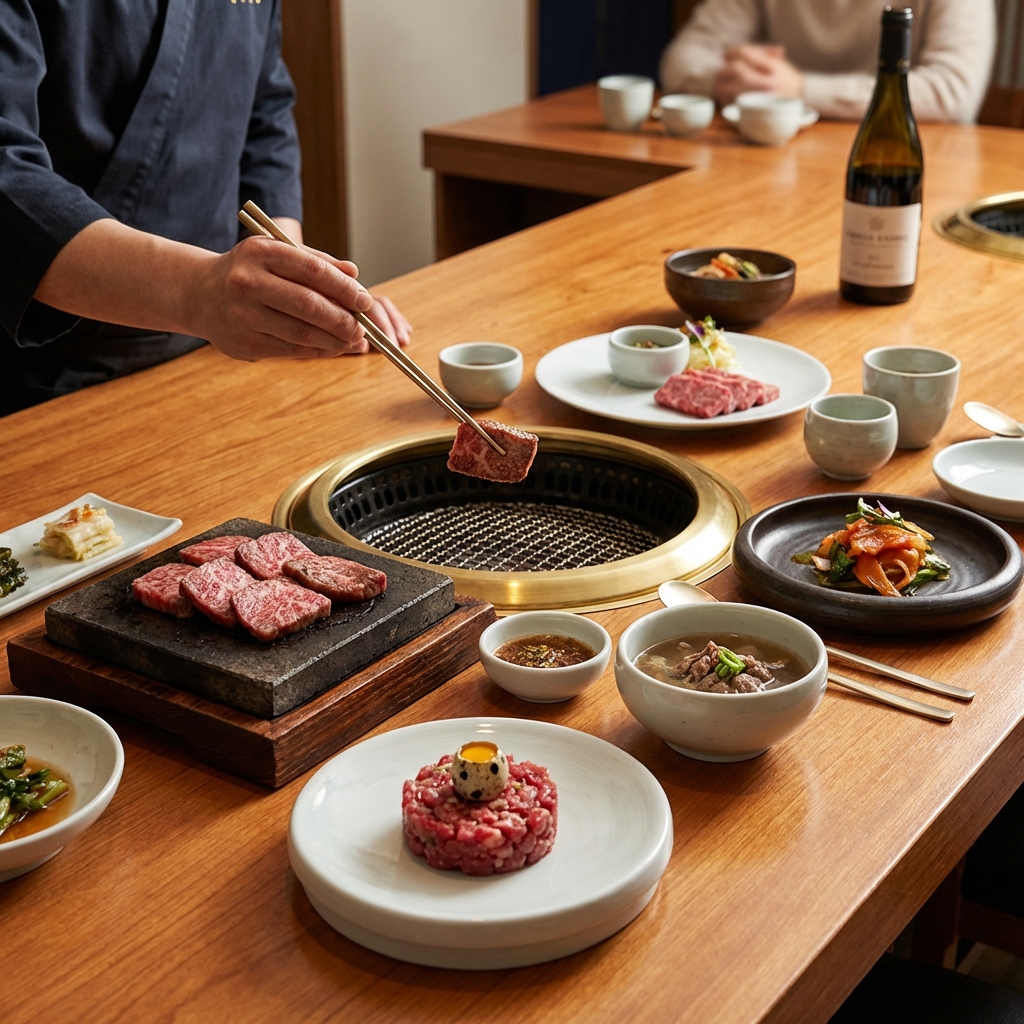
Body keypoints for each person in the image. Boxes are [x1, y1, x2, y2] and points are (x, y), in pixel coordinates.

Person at [0, 1, 411, 418]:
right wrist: (199, 293)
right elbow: (6, 174)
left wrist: (295, 299)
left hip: (214, 362)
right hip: (38, 380)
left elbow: (264, 118)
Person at [660, 0, 996, 123]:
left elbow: (954, 92)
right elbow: (680, 60)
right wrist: (732, 80)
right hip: (766, 160)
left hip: (905, 174)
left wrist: (799, 90)